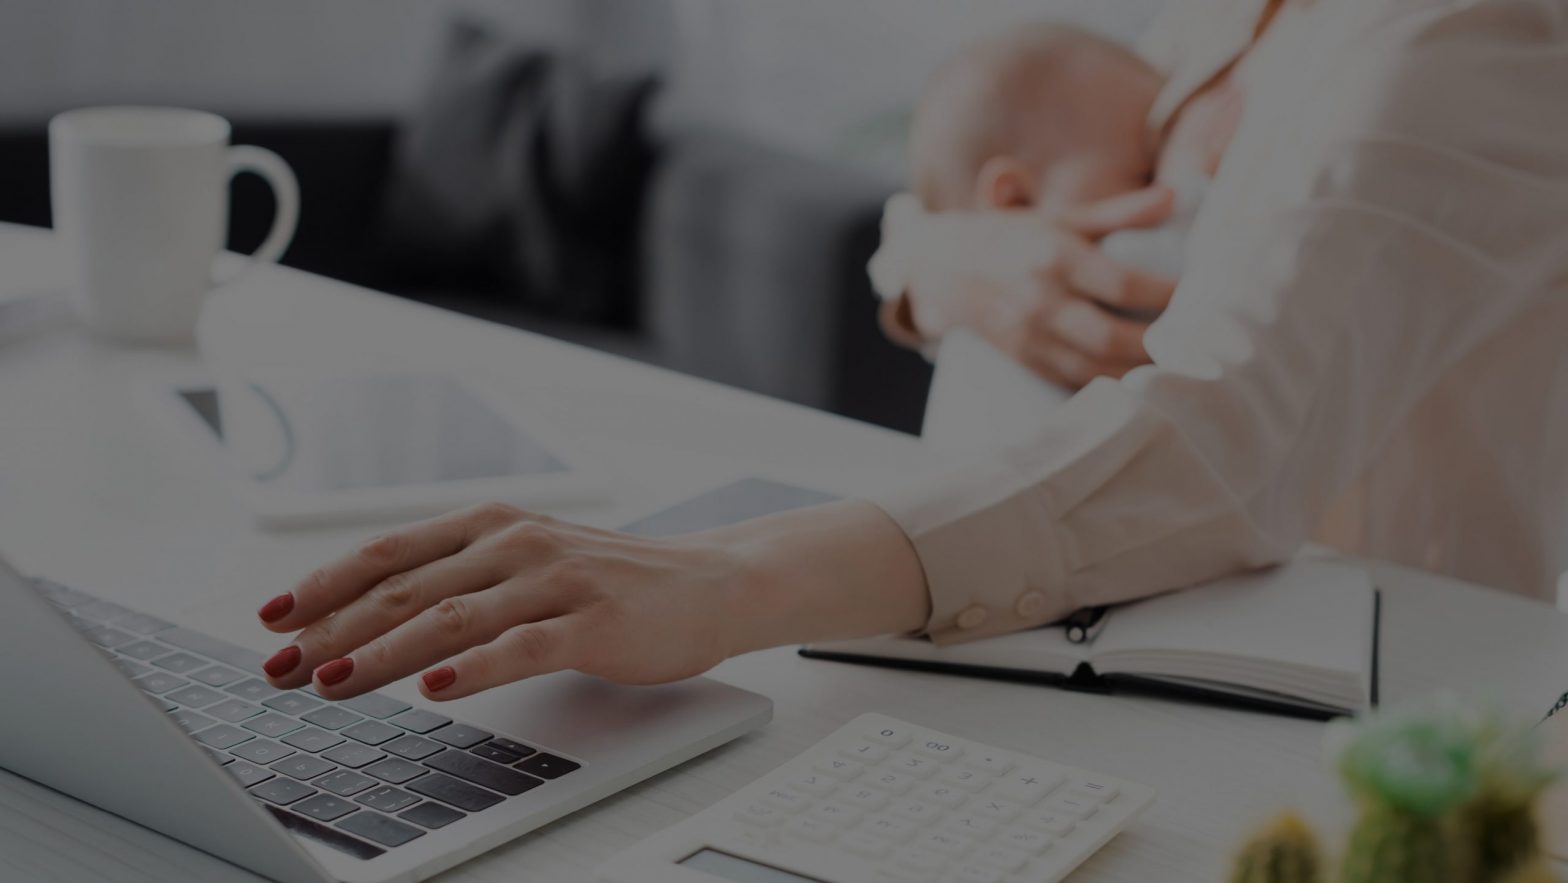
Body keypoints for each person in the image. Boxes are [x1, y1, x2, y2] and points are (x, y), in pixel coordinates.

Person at [256, 0, 1568, 704]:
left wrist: (727, 580)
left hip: (1370, 709)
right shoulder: (1237, 16)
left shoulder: (1460, 37)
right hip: (1098, 636)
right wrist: (936, 252)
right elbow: (1015, 183)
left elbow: (1228, 442)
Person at [868, 23, 1239, 450]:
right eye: (1142, 172)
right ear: (1016, 200)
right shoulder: (1046, 281)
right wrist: (1190, 180)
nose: (1156, 183)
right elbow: (1177, 270)